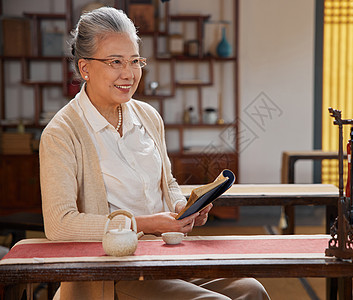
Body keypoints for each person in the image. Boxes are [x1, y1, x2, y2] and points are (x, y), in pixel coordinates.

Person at [39, 6, 270, 300]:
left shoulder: (147, 116)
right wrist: (145, 224)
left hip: (163, 255)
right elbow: (60, 225)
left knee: (252, 290)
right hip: (109, 270)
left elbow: (167, 182)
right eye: (115, 62)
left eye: (135, 61)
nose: (129, 73)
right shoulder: (62, 133)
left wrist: (183, 209)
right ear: (85, 68)